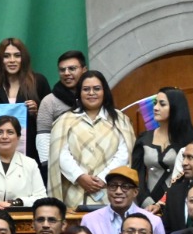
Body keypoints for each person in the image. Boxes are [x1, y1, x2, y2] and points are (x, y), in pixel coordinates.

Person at [48, 70, 135, 207]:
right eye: (86, 89)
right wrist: (80, 177)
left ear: (104, 92)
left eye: (97, 89)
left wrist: (103, 178)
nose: (91, 93)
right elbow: (60, 154)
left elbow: (124, 153)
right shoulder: (64, 120)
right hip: (74, 190)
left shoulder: (120, 120)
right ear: (79, 93)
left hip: (109, 190)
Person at [0, 38, 49, 160]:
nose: (12, 60)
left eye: (17, 55)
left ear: (24, 58)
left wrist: (37, 112)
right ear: (0, 60)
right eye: (6, 56)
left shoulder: (38, 82)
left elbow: (51, 119)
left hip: (32, 152)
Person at [80, 167, 168, 234]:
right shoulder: (89, 221)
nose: (118, 191)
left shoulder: (153, 221)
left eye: (125, 187)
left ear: (135, 192)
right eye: (113, 186)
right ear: (107, 190)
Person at [130, 87, 193, 209]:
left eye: (162, 104)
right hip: (146, 205)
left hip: (179, 204)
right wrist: (146, 202)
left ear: (175, 107)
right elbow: (136, 174)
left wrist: (166, 204)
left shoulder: (190, 140)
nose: (155, 108)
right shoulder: (144, 138)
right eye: (155, 103)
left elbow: (192, 176)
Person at [34, 51, 85, 163]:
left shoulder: (93, 98)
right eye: (62, 70)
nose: (66, 73)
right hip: (60, 164)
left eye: (72, 68)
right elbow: (43, 137)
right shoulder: (49, 101)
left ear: (84, 70)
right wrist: (48, 166)